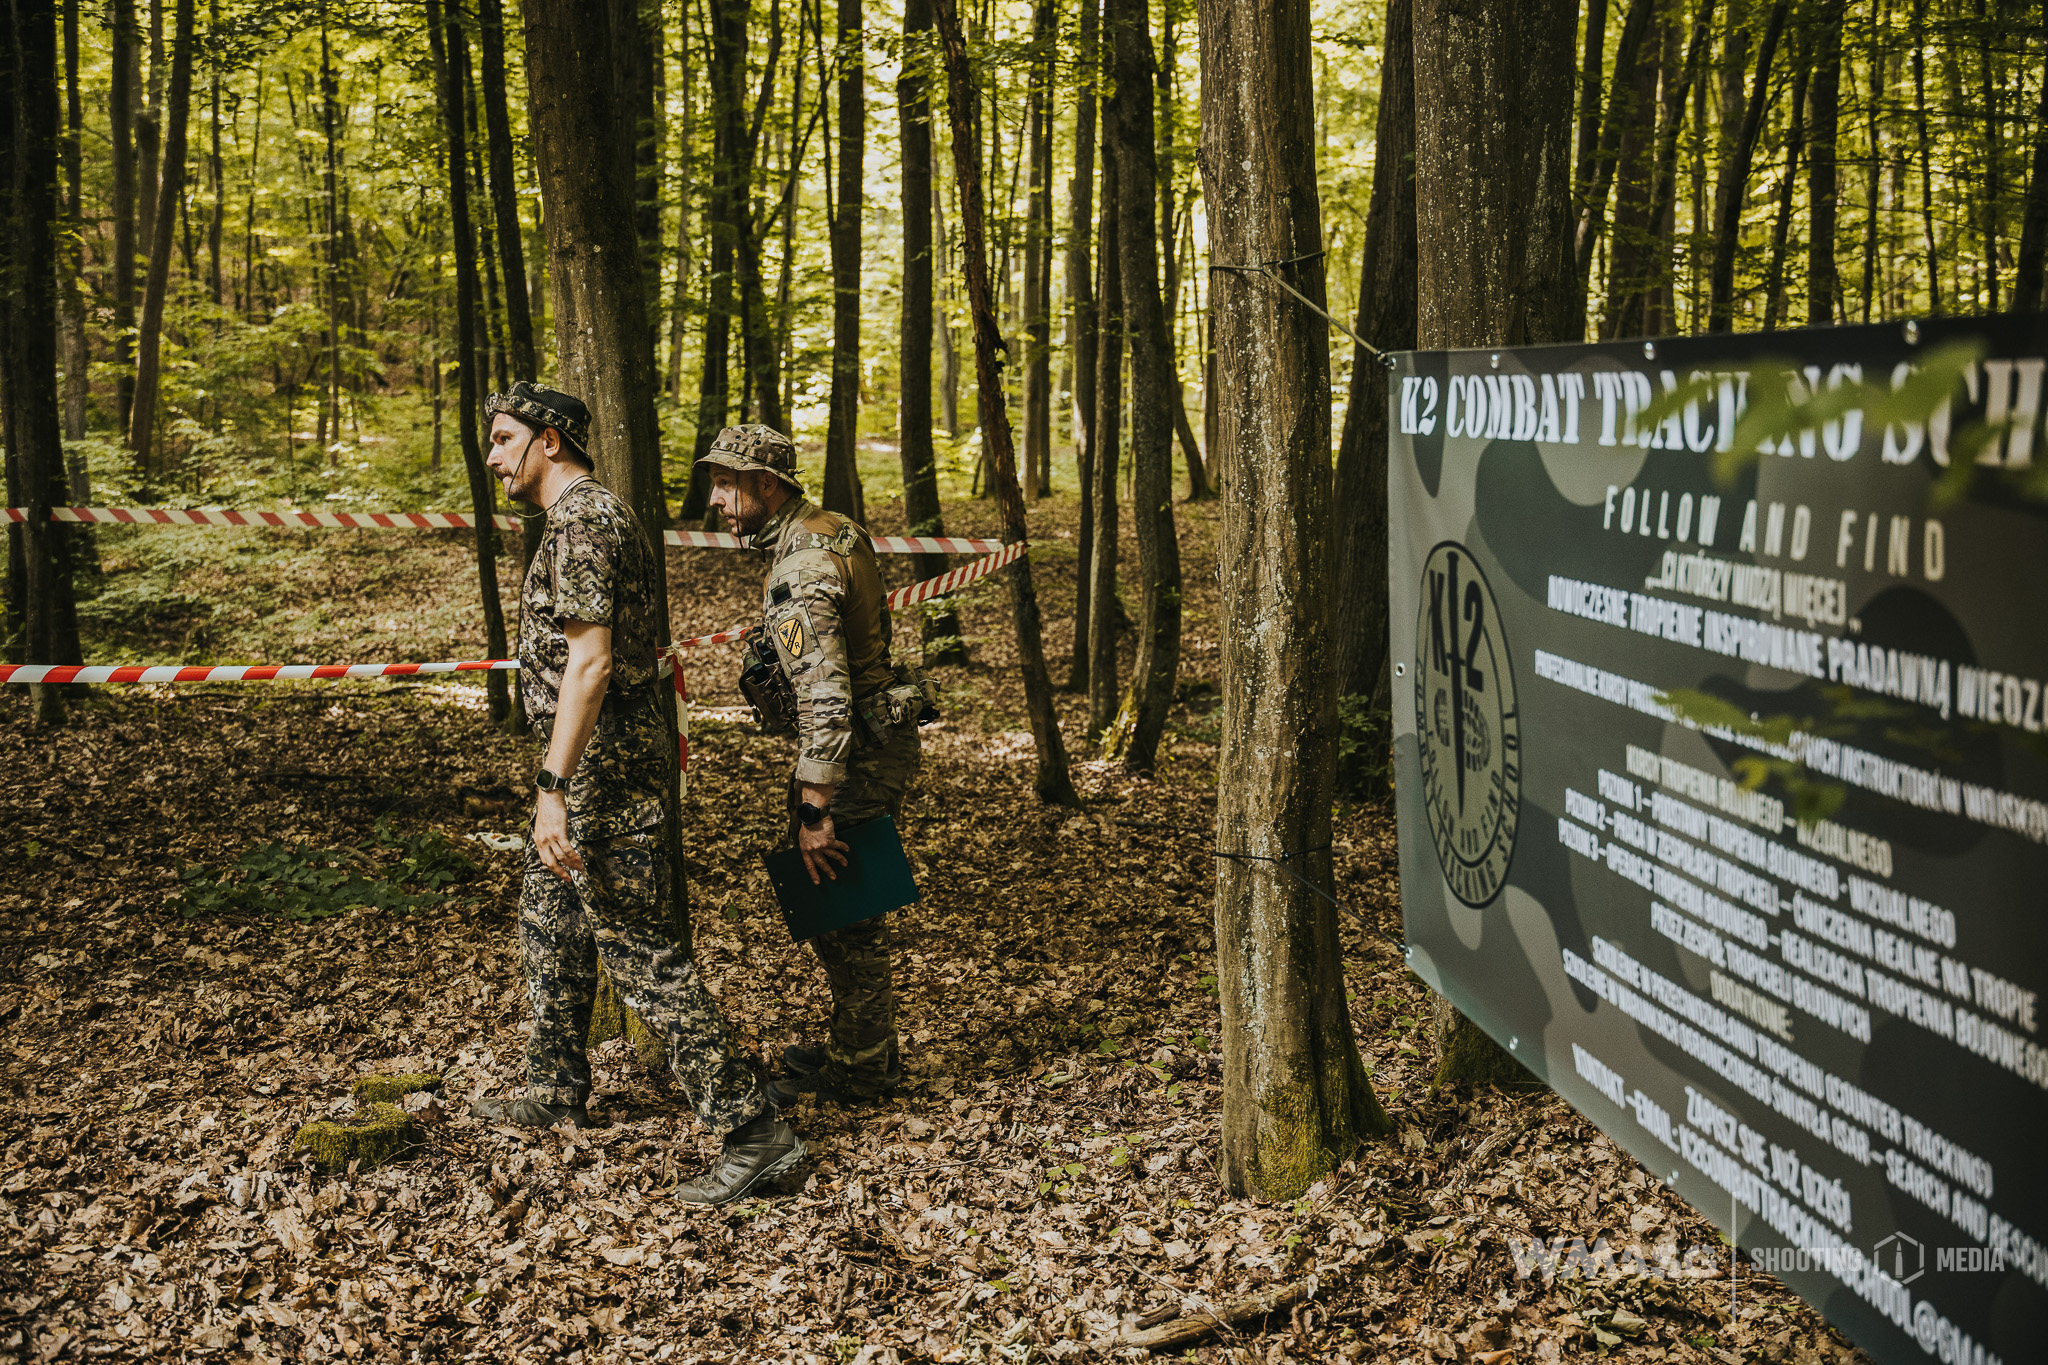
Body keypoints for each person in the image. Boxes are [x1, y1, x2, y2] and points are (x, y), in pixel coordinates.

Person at [469, 383, 802, 1206]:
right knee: (548, 918)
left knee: (642, 951)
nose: (493, 454)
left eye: (506, 438)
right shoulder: (577, 520)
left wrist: (553, 785)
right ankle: (554, 1086)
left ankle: (754, 1131)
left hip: (605, 777)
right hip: (587, 769)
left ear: (552, 441)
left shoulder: (585, 520)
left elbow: (592, 664)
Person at [701, 425, 930, 1109]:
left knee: (845, 908)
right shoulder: (832, 529)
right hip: (870, 738)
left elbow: (825, 696)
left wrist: (814, 809)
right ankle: (860, 1045)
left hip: (854, 748)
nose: (714, 499)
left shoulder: (799, 569)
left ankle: (862, 1069)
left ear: (767, 485)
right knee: (843, 902)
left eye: (726, 482)